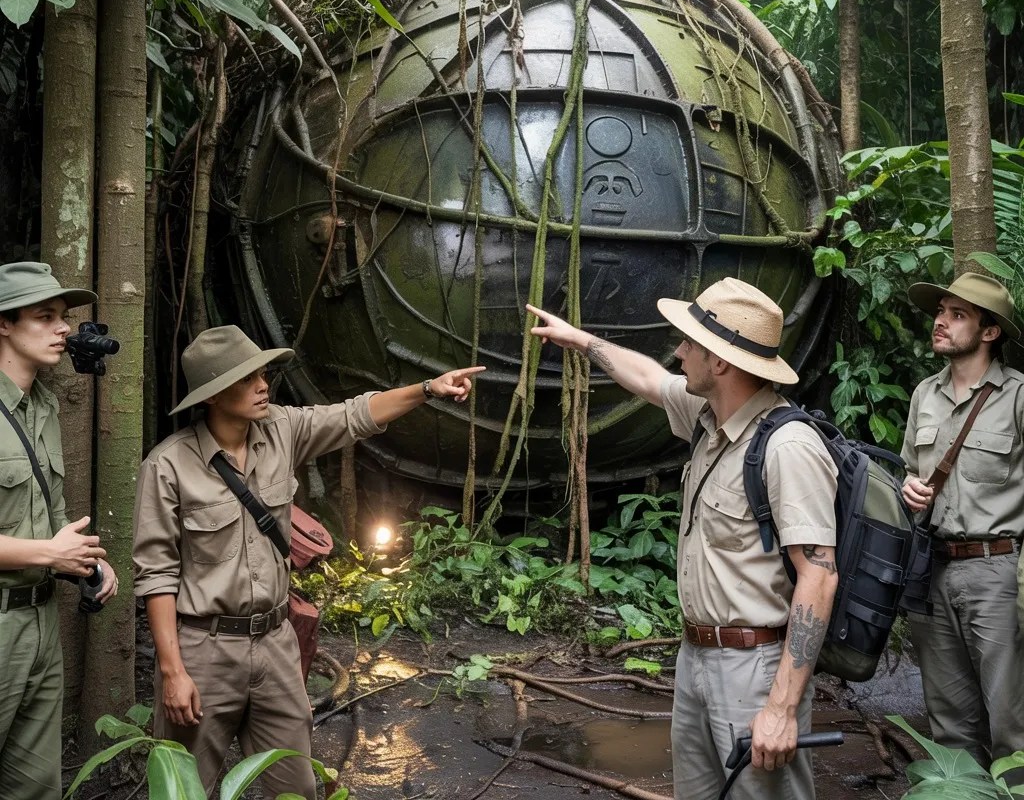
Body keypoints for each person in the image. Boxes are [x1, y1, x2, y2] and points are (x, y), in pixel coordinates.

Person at [133, 323, 483, 800]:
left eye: (263, 375)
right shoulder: (168, 465)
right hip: (204, 650)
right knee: (183, 789)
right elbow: (156, 574)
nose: (263, 386)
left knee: (296, 785)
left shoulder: (281, 430)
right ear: (213, 395)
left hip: (276, 645)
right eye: (246, 379)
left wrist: (427, 389)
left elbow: (354, 415)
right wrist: (173, 672)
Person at [528, 277, 838, 800]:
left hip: (755, 668)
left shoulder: (788, 447)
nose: (678, 351)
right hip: (696, 657)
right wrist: (581, 341)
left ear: (720, 362)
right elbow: (648, 378)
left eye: (689, 342)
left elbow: (820, 576)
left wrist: (782, 708)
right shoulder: (709, 417)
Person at [0, 261, 118, 800]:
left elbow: (44, 515)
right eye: (44, 316)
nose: (63, 328)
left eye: (63, 316)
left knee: (36, 787)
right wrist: (50, 552)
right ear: (4, 323)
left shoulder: (43, 404)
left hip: (43, 620)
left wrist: (80, 559)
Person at [901, 272, 1024, 764]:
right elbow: (911, 468)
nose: (941, 322)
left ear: (989, 331)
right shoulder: (923, 396)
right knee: (949, 720)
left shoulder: (1017, 397)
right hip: (933, 569)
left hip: (998, 572)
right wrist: (909, 488)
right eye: (940, 313)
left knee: (1010, 721)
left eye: (957, 315)